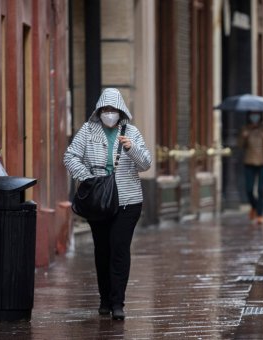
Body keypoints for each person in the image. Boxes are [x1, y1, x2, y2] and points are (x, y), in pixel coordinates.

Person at [63, 88, 152, 320]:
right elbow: (70, 156)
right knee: (102, 250)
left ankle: (118, 303)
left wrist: (132, 149)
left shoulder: (131, 132)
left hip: (128, 201)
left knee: (119, 250)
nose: (109, 113)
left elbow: (146, 164)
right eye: (105, 109)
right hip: (98, 201)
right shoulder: (88, 130)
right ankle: (104, 299)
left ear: (121, 111)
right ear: (99, 111)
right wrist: (87, 177)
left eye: (113, 110)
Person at [239, 111, 263, 225]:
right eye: (252, 115)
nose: (254, 117)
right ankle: (254, 206)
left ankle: (260, 214)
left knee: (261, 189)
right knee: (249, 189)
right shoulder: (245, 128)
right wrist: (243, 137)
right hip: (249, 161)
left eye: (257, 115)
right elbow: (240, 145)